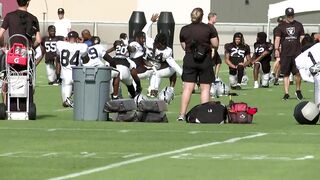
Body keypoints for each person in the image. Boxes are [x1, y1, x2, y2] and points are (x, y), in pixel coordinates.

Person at [178, 7, 218, 121]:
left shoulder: (184, 29)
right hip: (205, 59)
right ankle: (205, 114)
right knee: (205, 88)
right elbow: (215, 44)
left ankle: (182, 114)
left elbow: (183, 46)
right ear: (202, 16)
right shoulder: (208, 28)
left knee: (188, 88)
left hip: (190, 59)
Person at [0, 0, 41, 104]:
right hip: (26, 54)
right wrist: (31, 48)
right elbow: (39, 40)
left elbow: (0, 34)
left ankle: (6, 105)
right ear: (28, 2)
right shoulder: (33, 18)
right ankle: (27, 104)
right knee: (28, 78)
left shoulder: (9, 16)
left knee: (7, 78)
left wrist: (3, 47)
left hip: (12, 53)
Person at [274, 7, 304, 101]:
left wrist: (300, 46)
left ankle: (298, 90)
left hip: (297, 53)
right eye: (289, 15)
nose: (290, 17)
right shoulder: (281, 26)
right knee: (286, 74)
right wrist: (276, 49)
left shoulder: (299, 25)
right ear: (286, 16)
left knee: (298, 73)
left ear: (293, 15)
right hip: (285, 54)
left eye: (292, 15)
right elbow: (277, 38)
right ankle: (286, 93)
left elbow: (302, 37)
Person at [56, 31, 88, 107]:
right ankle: (72, 100)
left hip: (65, 74)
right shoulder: (82, 46)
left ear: (68, 38)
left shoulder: (60, 44)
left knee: (65, 97)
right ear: (77, 38)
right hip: (76, 73)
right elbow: (85, 57)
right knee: (79, 91)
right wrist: (80, 41)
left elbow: (58, 54)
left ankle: (67, 100)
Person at [208, 12, 222, 81]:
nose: (216, 19)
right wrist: (212, 49)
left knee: (218, 62)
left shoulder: (212, 27)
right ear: (211, 18)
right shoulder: (209, 27)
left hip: (214, 49)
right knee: (211, 64)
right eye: (215, 18)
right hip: (212, 49)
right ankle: (211, 78)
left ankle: (215, 77)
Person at [271, 16, 283, 86]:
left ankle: (276, 77)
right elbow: (276, 38)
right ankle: (273, 73)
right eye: (280, 21)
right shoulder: (277, 29)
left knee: (280, 62)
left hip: (283, 46)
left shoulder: (282, 28)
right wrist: (277, 48)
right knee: (278, 60)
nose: (281, 23)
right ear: (278, 22)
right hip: (278, 46)